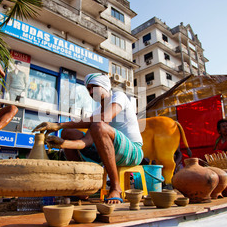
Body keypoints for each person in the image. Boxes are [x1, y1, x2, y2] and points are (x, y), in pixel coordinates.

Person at [33, 73, 144, 204]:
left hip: (133, 152)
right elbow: (86, 142)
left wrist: (59, 124)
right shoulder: (96, 113)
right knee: (67, 132)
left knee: (97, 126)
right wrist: (63, 144)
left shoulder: (118, 96)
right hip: (107, 153)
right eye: (88, 89)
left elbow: (104, 119)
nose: (91, 92)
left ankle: (115, 187)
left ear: (104, 86)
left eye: (94, 87)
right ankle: (82, 187)